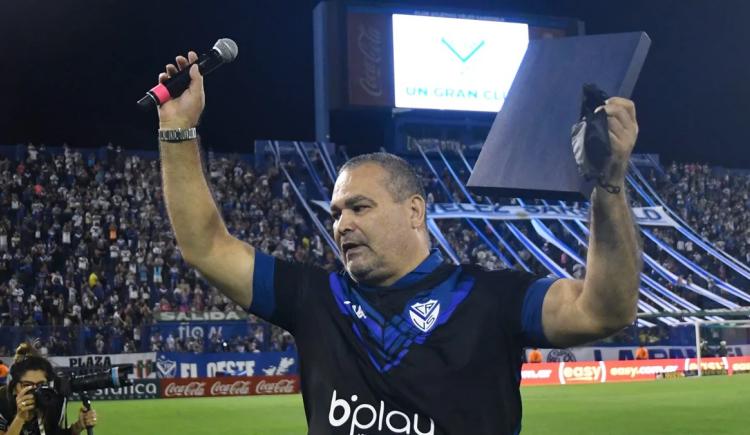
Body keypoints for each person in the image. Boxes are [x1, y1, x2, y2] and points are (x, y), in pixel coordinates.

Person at [156, 51, 641, 434]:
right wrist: (177, 129)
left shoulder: (493, 298)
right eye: (336, 213)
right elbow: (205, 246)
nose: (342, 224)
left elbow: (604, 311)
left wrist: (610, 184)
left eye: (359, 207)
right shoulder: (316, 298)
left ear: (414, 210)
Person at [0, 344, 97, 435]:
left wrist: (77, 427)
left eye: (41, 384)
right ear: (14, 387)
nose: (35, 391)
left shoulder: (53, 399)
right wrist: (19, 418)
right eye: (27, 385)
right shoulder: (2, 400)